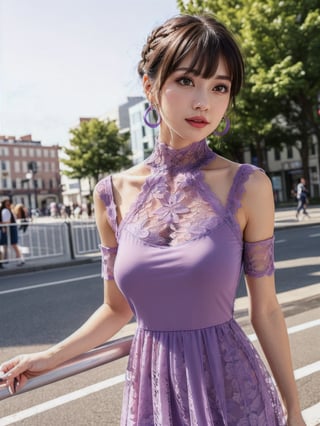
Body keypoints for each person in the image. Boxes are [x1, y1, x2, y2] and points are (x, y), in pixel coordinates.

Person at [0, 14, 305, 425]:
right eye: (186, 81)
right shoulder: (111, 193)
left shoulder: (249, 186)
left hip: (231, 390)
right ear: (150, 85)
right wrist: (49, 357)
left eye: (220, 87)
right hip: (153, 394)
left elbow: (265, 309)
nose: (203, 102)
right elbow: (115, 309)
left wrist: (294, 409)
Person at [0, 199, 24, 266]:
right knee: (10, 244)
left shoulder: (6, 210)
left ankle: (20, 259)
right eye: (7, 203)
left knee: (13, 244)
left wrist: (2, 224)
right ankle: (18, 259)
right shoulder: (7, 210)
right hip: (10, 228)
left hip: (11, 228)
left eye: (9, 203)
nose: (8, 204)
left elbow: (8, 222)